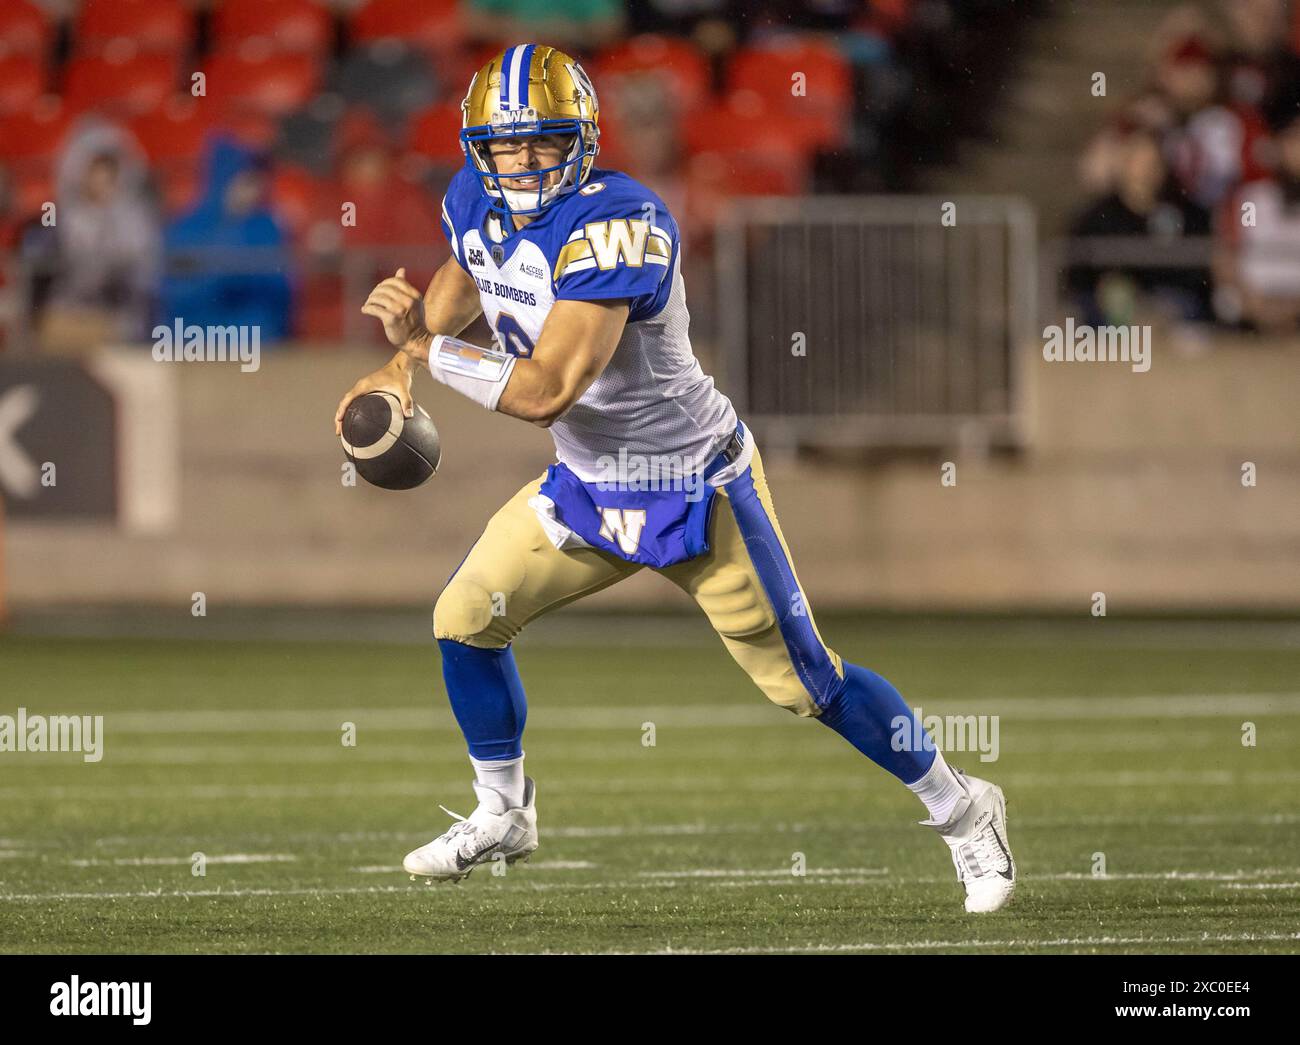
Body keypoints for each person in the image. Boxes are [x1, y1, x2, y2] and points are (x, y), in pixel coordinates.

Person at [334, 45, 1016, 913]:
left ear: (579, 143)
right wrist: (403, 359)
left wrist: (429, 351)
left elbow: (547, 389)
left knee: (808, 681)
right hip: (584, 488)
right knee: (463, 617)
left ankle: (963, 811)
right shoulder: (473, 199)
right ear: (480, 151)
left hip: (690, 483)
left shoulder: (621, 220)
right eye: (506, 149)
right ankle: (502, 811)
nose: (523, 165)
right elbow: (464, 278)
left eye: (543, 145)